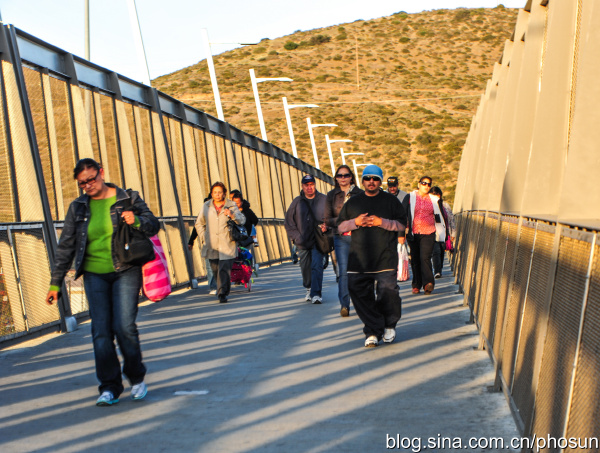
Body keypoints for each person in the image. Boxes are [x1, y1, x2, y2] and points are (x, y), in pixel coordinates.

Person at [45, 158, 160, 406]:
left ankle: (137, 378)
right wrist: (56, 284)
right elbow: (66, 246)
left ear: (101, 173)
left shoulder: (127, 198)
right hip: (94, 274)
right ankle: (109, 386)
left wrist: (136, 220)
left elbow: (153, 224)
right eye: (82, 183)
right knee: (100, 332)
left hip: (126, 270)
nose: (87, 185)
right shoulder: (78, 207)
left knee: (124, 327)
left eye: (91, 179)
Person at [337, 165, 406, 347]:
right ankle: (373, 329)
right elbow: (340, 226)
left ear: (380, 180)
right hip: (359, 258)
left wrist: (381, 222)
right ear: (362, 181)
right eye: (367, 178)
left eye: (375, 178)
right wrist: (356, 222)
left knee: (388, 292)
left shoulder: (391, 201)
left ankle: (389, 325)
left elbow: (401, 224)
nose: (371, 182)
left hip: (385, 256)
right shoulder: (353, 203)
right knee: (357, 291)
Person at [196, 182, 245, 303]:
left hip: (227, 243)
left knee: (224, 269)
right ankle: (221, 289)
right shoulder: (206, 206)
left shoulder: (231, 205)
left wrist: (232, 214)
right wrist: (204, 237)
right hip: (211, 243)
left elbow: (242, 220)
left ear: (224, 193)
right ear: (212, 194)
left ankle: (222, 293)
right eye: (215, 192)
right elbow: (199, 223)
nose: (217, 195)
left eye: (220, 192)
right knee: (215, 269)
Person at [325, 164, 363, 317]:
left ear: (351, 177)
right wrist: (343, 221)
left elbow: (364, 215)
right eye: (339, 176)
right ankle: (344, 305)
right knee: (343, 272)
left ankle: (361, 303)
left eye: (346, 175)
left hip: (359, 236)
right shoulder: (331, 195)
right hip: (341, 238)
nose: (343, 178)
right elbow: (327, 219)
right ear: (336, 178)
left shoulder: (359, 194)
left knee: (360, 271)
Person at [400, 176, 447, 295]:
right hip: (413, 233)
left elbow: (441, 216)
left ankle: (428, 283)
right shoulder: (410, 197)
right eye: (424, 183)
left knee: (424, 258)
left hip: (429, 232)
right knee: (415, 259)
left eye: (428, 184)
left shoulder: (434, 199)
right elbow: (402, 215)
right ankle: (416, 284)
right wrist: (401, 233)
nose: (426, 186)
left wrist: (445, 233)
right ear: (419, 184)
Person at [284, 174, 327, 304]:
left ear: (315, 185)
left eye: (311, 185)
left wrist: (327, 225)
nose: (309, 188)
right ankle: (309, 287)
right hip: (302, 240)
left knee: (317, 265)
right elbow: (288, 221)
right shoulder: (297, 201)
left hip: (318, 239)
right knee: (305, 266)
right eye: (306, 185)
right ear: (302, 186)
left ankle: (316, 293)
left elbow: (332, 216)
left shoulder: (323, 200)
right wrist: (297, 237)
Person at [189, 195, 217, 295]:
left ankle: (220, 284)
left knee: (219, 265)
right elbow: (196, 228)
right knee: (210, 266)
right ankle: (213, 286)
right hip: (207, 243)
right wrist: (191, 241)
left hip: (221, 243)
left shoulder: (221, 213)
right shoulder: (203, 215)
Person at [430, 186, 455, 278]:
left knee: (441, 250)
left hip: (444, 232)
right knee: (435, 251)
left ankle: (439, 268)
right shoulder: (428, 205)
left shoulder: (445, 205)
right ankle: (437, 271)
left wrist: (453, 233)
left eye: (437, 194)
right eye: (433, 194)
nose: (435, 196)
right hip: (433, 232)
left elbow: (451, 220)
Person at [231, 192, 259, 271]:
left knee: (244, 256)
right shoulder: (230, 211)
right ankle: (237, 275)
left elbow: (255, 220)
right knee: (235, 258)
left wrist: (248, 226)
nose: (236, 204)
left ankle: (245, 274)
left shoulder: (247, 211)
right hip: (234, 238)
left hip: (245, 238)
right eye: (234, 202)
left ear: (242, 202)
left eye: (238, 202)